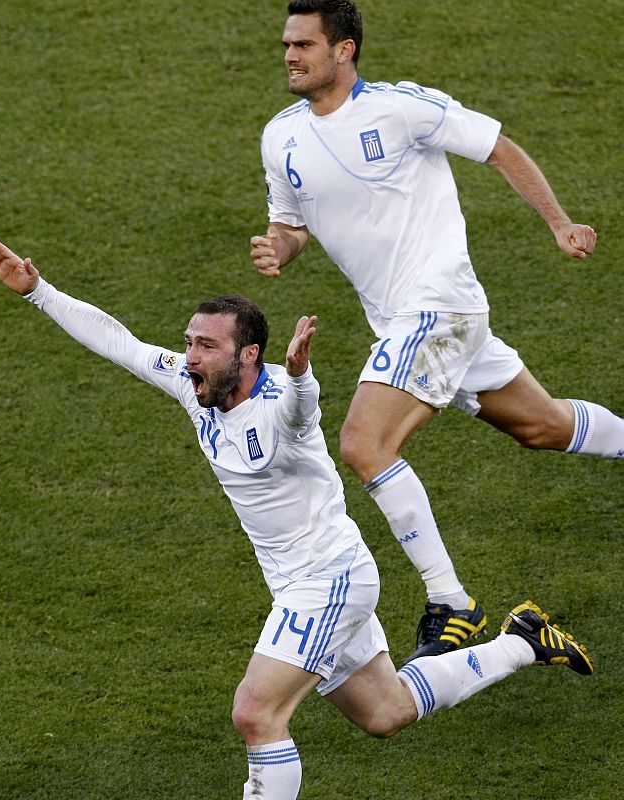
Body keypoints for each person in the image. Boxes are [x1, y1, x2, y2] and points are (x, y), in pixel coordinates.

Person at [0, 235, 593, 800]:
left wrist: (302, 378)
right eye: (190, 341)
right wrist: (39, 291)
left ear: (248, 355)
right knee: (386, 713)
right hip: (303, 581)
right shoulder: (194, 385)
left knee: (256, 713)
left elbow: (302, 416)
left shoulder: (278, 406)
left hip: (326, 581)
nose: (188, 355)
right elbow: (118, 341)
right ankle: (523, 642)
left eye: (205, 345)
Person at [250, 0, 623, 664]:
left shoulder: (400, 109)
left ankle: (451, 600)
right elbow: (293, 223)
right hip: (406, 319)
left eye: (304, 44)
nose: (289, 55)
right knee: (542, 427)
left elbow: (498, 147)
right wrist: (281, 248)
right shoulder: (280, 136)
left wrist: (558, 223)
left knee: (364, 443)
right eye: (286, 43)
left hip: (438, 306)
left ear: (344, 50)